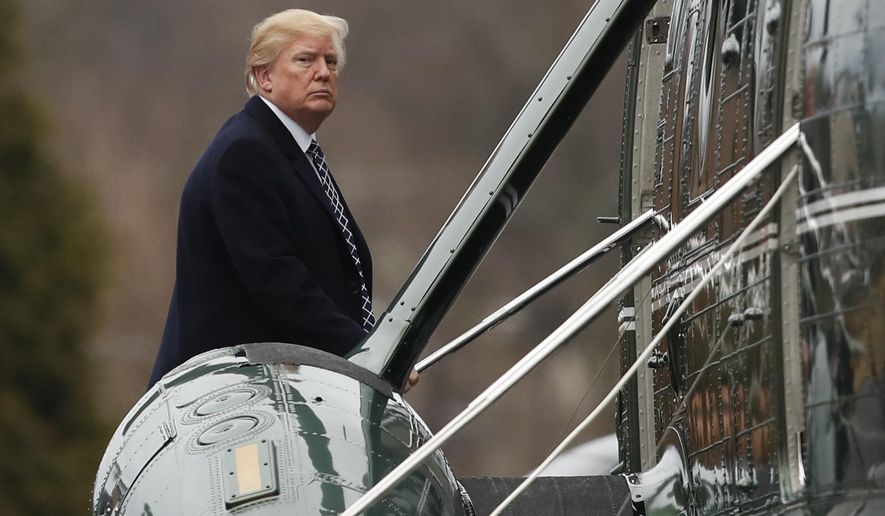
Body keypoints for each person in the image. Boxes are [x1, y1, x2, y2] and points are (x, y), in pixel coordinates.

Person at [149, 9, 373, 386]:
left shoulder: (287, 148)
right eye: (305, 59)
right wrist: (366, 351)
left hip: (271, 390)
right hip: (224, 402)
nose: (323, 72)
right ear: (264, 76)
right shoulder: (245, 153)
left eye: (330, 61)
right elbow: (279, 283)